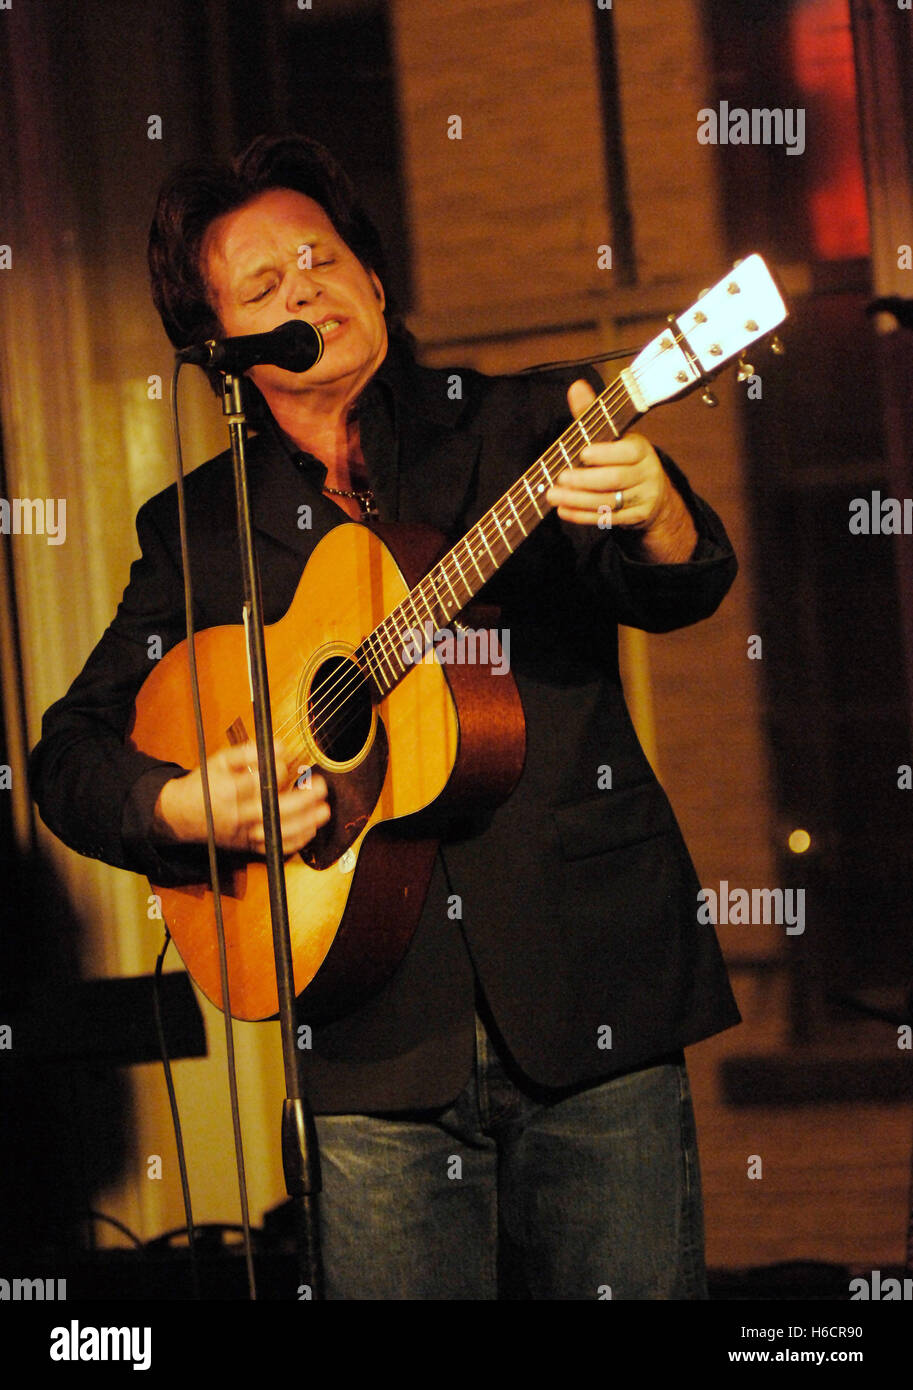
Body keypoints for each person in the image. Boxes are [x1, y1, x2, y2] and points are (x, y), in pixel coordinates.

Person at [30, 133, 741, 1300]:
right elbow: (70, 754)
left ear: (373, 277)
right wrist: (178, 803)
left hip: (589, 1004)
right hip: (365, 1040)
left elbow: (679, 586)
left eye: (324, 255)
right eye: (263, 285)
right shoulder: (199, 532)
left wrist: (658, 510)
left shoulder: (519, 429)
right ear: (222, 350)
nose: (305, 284)